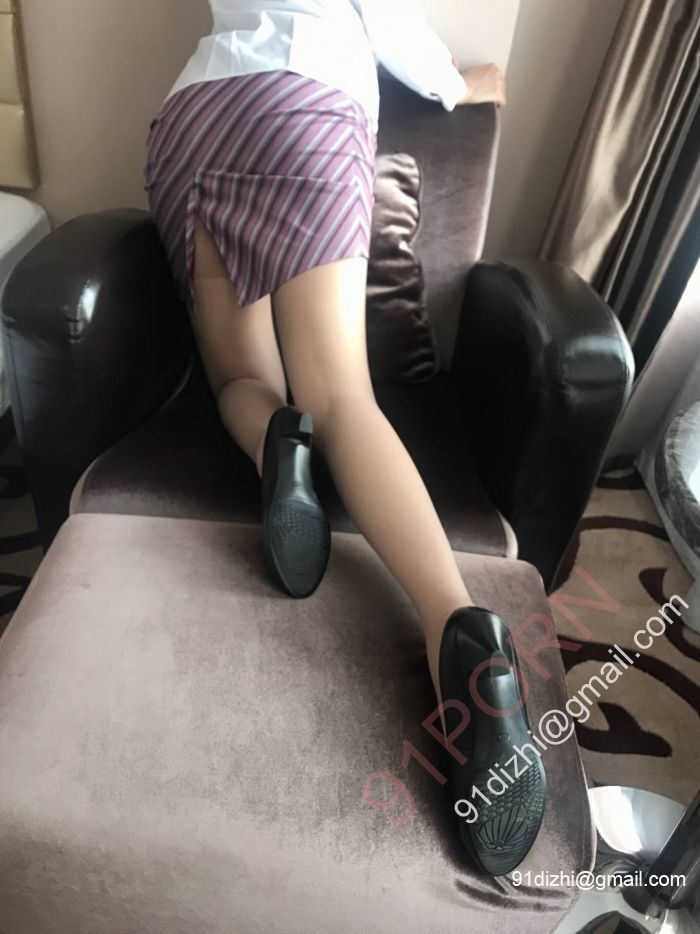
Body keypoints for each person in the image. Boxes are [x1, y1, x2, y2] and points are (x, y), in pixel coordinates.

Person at [144, 0, 545, 876]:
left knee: (240, 382)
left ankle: (277, 443)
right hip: (308, 102)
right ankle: (461, 631)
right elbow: (396, 28)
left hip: (198, 114)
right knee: (342, 396)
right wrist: (466, 83)